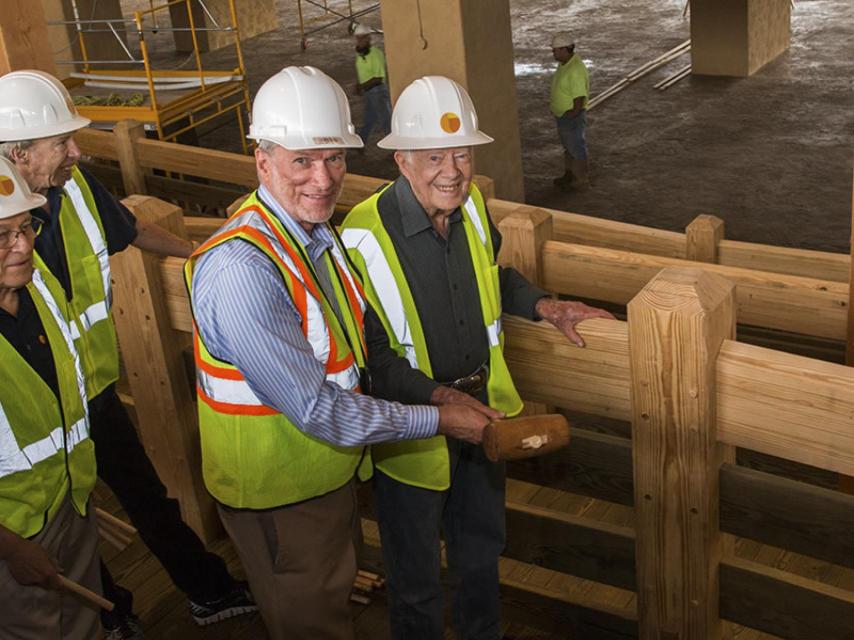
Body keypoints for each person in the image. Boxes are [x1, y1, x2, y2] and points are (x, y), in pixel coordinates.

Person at [185, 66, 494, 640]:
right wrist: (440, 418)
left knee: (330, 607)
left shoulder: (315, 235)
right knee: (311, 623)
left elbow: (362, 341)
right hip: (279, 493)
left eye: (335, 159)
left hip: (324, 478)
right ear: (262, 160)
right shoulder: (242, 268)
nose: (323, 179)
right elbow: (316, 408)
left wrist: (436, 390)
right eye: (302, 160)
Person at [341, 75, 614, 640]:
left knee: (479, 558)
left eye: (462, 153)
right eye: (435, 155)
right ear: (402, 161)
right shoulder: (361, 236)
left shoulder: (470, 209)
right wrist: (444, 402)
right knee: (415, 577)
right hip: (413, 435)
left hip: (485, 420)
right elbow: (371, 356)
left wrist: (545, 305)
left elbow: (495, 277)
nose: (453, 170)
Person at [0, 70, 255, 639]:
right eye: (60, 142)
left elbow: (132, 229)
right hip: (35, 418)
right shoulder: (8, 227)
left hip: (91, 391)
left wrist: (200, 256)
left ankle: (202, 590)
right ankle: (112, 608)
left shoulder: (78, 190)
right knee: (66, 520)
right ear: (17, 154)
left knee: (135, 497)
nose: (75, 151)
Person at [0, 157, 101, 639]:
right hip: (13, 536)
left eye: (26, 227)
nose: (22, 247)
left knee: (83, 626)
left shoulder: (36, 283)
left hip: (74, 499)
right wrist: (11, 548)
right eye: (2, 235)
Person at [550, 31, 591, 191]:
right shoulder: (565, 64)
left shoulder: (575, 70)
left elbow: (579, 96)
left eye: (555, 50)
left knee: (576, 146)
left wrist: (573, 113)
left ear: (565, 49)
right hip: (564, 115)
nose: (553, 53)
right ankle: (570, 174)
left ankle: (581, 179)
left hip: (571, 116)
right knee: (569, 146)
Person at [353, 23, 392, 147]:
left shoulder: (375, 55)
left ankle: (395, 146)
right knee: (369, 120)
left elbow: (378, 78)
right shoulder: (361, 54)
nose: (359, 41)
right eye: (358, 38)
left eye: (362, 38)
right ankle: (361, 143)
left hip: (378, 92)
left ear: (368, 38)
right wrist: (360, 85)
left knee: (386, 121)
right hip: (369, 92)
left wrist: (361, 86)